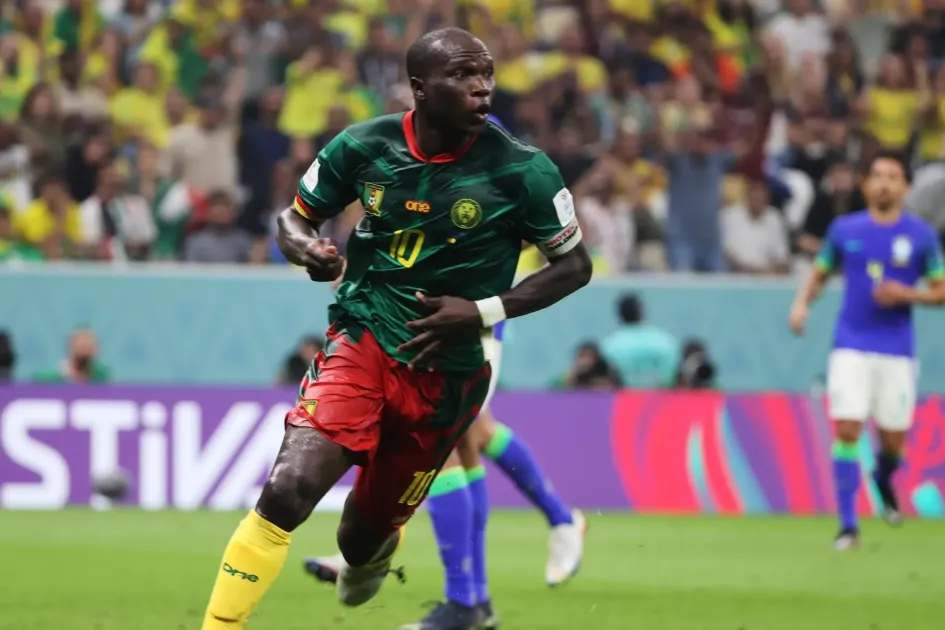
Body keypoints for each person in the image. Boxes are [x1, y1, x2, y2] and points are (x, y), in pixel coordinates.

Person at [199, 27, 592, 630]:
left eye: (484, 73)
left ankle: (382, 559)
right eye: (463, 75)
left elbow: (575, 267)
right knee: (287, 489)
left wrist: (484, 309)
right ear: (419, 89)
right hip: (363, 340)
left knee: (362, 537)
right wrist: (308, 249)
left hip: (449, 372)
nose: (481, 87)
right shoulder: (364, 146)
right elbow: (293, 217)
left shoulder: (523, 171)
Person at [304, 320, 589, 630]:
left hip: (462, 319)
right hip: (444, 320)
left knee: (438, 439)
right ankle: (477, 598)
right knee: (471, 435)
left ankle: (459, 598)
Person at [789, 151, 945, 550]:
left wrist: (906, 293)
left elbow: (941, 291)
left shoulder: (921, 236)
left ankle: (882, 476)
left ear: (905, 188)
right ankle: (847, 526)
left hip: (897, 350)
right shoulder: (844, 230)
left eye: (893, 177)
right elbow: (820, 271)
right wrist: (802, 304)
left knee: (894, 440)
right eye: (877, 175)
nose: (884, 183)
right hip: (851, 344)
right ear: (866, 184)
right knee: (847, 428)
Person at [601, 293, 680, 388]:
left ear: (619, 315)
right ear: (642, 312)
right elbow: (670, 378)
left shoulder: (610, 346)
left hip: (623, 399)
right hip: (661, 399)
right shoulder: (664, 341)